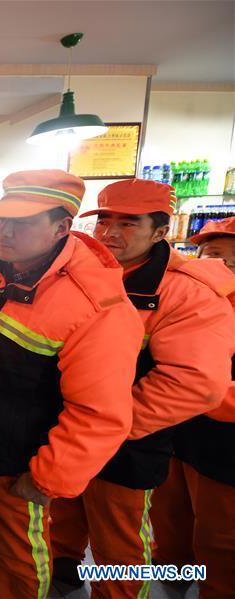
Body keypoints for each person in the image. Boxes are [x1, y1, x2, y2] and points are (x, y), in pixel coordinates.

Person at [0, 170, 144, 598]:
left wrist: (47, 478)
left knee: (20, 551)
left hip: (20, 457)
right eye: (2, 218)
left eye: (22, 221)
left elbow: (100, 413)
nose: (5, 231)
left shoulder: (95, 304)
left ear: (62, 227)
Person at [47, 179, 235, 598]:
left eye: (128, 223)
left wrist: (104, 427)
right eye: (104, 221)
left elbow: (194, 383)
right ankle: (63, 571)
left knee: (118, 538)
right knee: (65, 513)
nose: (110, 233)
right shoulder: (83, 273)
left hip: (128, 440)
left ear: (160, 231)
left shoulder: (185, 292)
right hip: (69, 428)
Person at [149, 215, 235, 599]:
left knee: (220, 536)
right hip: (177, 431)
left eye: (232, 258)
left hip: (225, 443)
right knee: (169, 515)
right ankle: (172, 569)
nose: (222, 265)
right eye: (212, 254)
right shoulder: (185, 298)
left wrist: (197, 391)